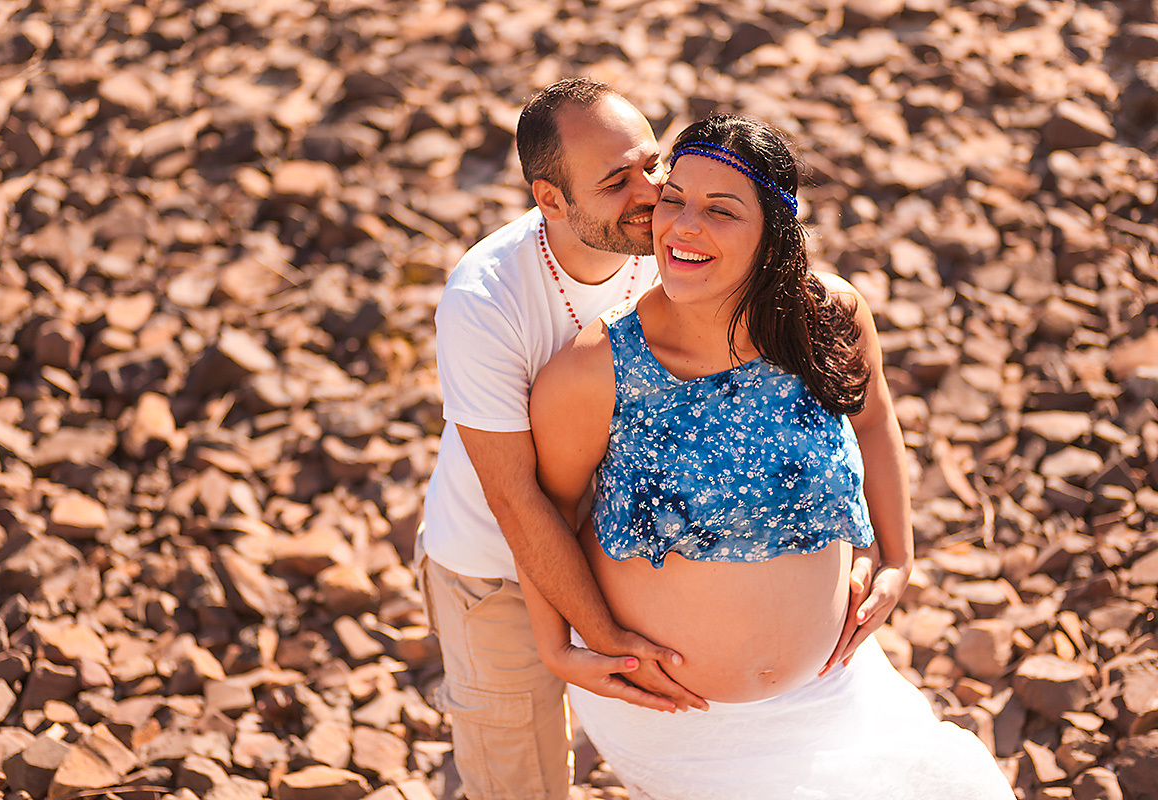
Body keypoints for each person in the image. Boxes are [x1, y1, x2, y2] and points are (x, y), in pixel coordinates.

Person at [523, 114, 1015, 799]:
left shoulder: (829, 315)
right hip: (676, 717)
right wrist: (568, 651)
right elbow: (541, 512)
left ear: (774, 236)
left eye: (721, 210)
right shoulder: (596, 369)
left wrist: (899, 558)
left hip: (836, 691)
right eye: (675, 200)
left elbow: (874, 421)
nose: (684, 226)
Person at [416, 78, 695, 800]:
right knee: (521, 779)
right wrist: (593, 638)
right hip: (497, 572)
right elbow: (514, 498)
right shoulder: (486, 301)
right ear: (551, 200)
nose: (652, 191)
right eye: (615, 182)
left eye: (651, 162)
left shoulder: (675, 242)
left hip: (629, 550)